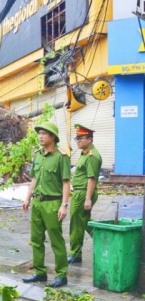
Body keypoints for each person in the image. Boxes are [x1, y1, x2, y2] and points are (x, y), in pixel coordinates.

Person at [22, 121, 71, 288]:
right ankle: (40, 272)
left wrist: (64, 205)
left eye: (44, 133)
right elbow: (34, 179)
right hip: (38, 203)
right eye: (39, 133)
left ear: (53, 137)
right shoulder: (38, 155)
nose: (40, 136)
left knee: (56, 240)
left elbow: (66, 182)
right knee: (36, 239)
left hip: (53, 203)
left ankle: (61, 275)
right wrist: (27, 197)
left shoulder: (61, 156)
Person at [68, 124, 102, 264]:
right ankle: (103, 237)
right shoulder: (85, 153)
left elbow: (92, 178)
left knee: (76, 223)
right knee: (84, 221)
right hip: (80, 193)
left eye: (80, 138)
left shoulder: (92, 156)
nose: (77, 141)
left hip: (83, 194)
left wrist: (87, 198)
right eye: (76, 138)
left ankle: (75, 254)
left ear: (89, 139)